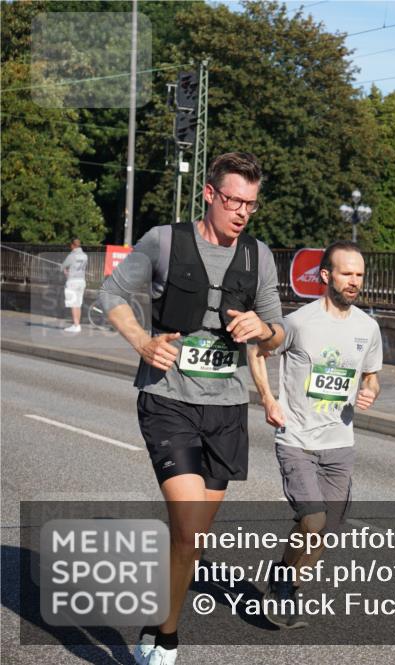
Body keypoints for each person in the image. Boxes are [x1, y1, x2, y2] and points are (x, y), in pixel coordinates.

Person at [99, 152, 285, 665]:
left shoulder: (258, 256)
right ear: (208, 193)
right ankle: (169, 642)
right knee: (185, 526)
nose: (242, 212)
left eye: (250, 203)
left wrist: (262, 331)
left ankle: (162, 622)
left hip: (225, 408)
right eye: (232, 200)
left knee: (193, 539)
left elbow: (278, 330)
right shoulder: (164, 240)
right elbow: (111, 292)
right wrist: (141, 340)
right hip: (167, 399)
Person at [247, 240, 381, 628]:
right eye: (346, 273)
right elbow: (257, 350)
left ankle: (284, 579)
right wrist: (268, 399)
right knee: (314, 522)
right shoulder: (298, 323)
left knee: (322, 532)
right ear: (326, 276)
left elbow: (372, 376)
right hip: (298, 441)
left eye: (359, 274)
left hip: (340, 445)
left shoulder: (367, 328)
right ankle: (286, 586)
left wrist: (370, 390)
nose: (354, 281)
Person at [61, 238, 88, 333]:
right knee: (78, 304)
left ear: (73, 245)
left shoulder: (72, 255)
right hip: (82, 281)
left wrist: (65, 270)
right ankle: (77, 324)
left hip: (73, 281)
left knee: (73, 304)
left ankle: (76, 325)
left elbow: (63, 266)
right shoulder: (85, 256)